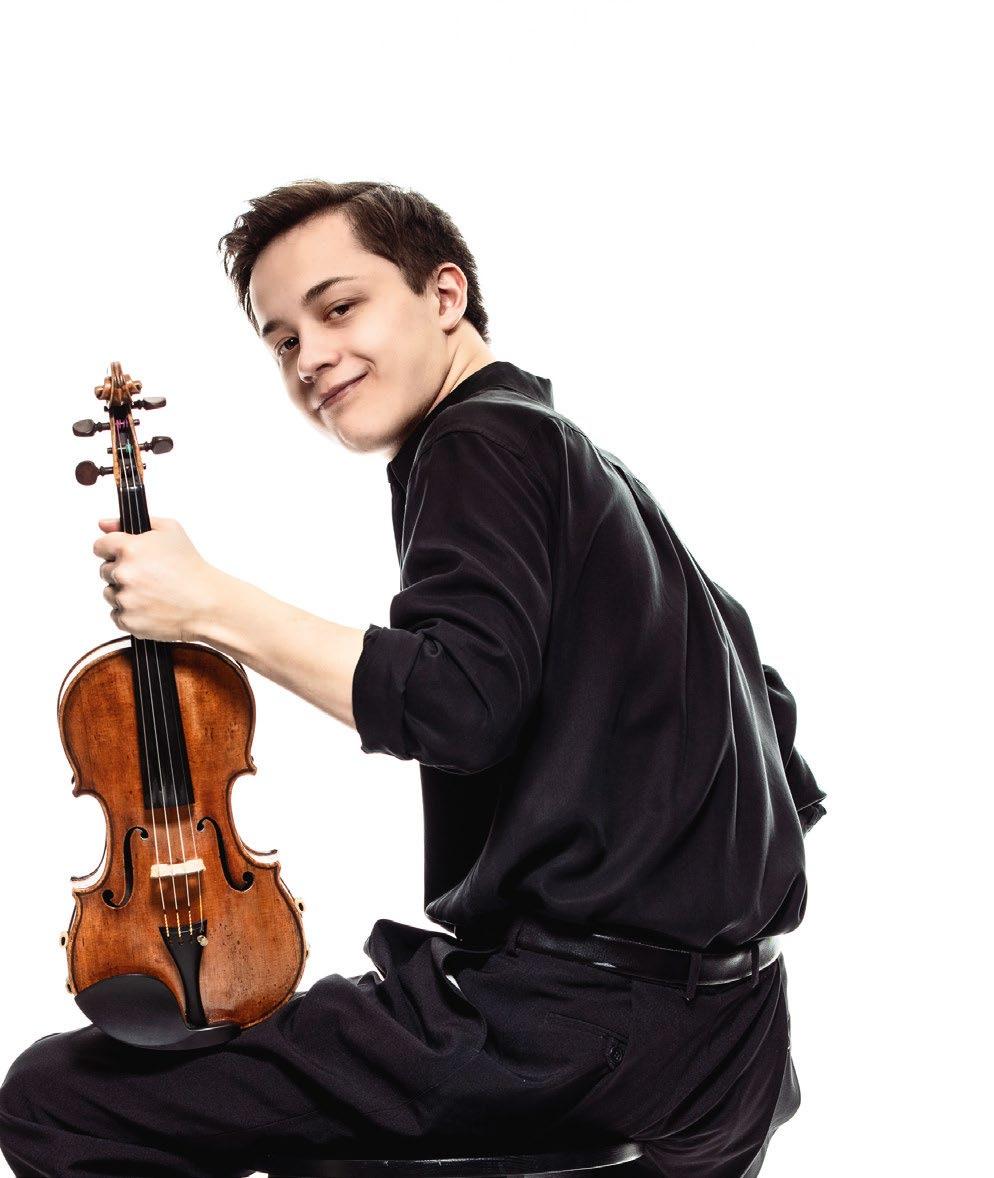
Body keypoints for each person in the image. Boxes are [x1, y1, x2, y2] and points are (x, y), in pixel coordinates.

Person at [0, 180, 827, 1178]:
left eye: (338, 307)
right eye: (282, 340)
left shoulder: (477, 442)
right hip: (738, 1045)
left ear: (444, 295)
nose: (311, 357)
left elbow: (458, 705)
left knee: (55, 1099)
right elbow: (774, 722)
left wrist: (208, 603)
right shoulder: (582, 465)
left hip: (569, 1032)